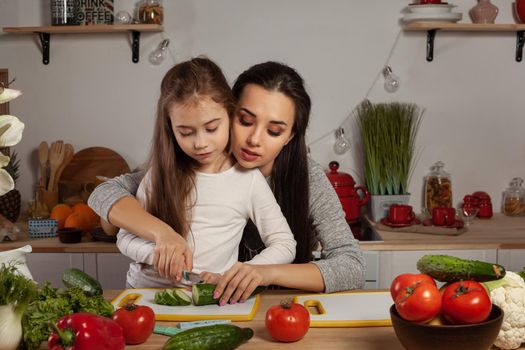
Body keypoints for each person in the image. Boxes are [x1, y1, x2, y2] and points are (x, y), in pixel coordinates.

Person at [89, 60, 365, 304]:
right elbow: (105, 195)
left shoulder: (304, 178)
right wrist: (161, 235)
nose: (254, 139)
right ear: (228, 112)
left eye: (274, 130)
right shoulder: (180, 164)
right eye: (245, 121)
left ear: (290, 136)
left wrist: (263, 272)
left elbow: (351, 266)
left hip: (270, 305)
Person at [107, 57, 296, 289]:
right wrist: (158, 253)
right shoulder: (160, 174)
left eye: (211, 128)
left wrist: (246, 272)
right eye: (186, 132)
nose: (200, 143)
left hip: (207, 300)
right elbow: (124, 238)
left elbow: (285, 243)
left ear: (230, 114)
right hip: (145, 293)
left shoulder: (248, 180)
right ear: (170, 129)